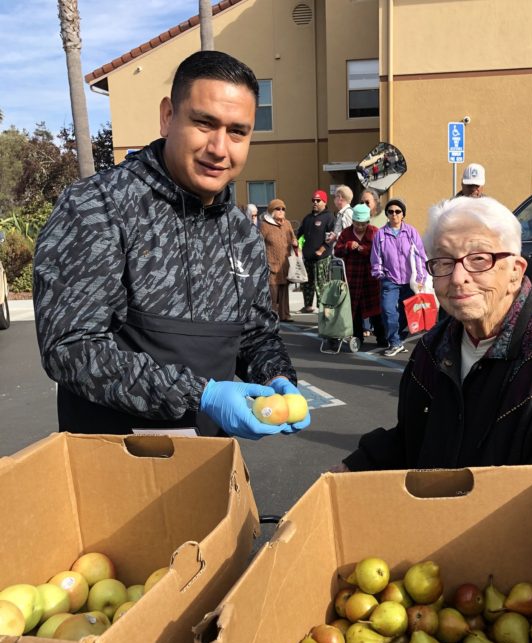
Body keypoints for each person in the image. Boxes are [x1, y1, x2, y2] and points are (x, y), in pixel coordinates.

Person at [32, 50, 310, 439]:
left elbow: (256, 336)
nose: (219, 147)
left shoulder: (241, 233)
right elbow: (72, 349)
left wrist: (277, 375)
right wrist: (202, 395)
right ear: (168, 117)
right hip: (109, 467)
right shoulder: (97, 207)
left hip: (207, 466)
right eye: (203, 123)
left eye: (237, 131)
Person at [335, 196, 532, 502]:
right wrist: (354, 466)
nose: (457, 278)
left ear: (515, 271)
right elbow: (412, 438)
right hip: (436, 533)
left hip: (522, 540)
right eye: (443, 262)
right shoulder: (432, 348)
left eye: (479, 259)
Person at [371, 198, 427, 356]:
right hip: (390, 280)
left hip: (410, 281)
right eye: (390, 212)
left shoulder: (411, 232)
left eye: (398, 211)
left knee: (406, 313)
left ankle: (398, 339)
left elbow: (420, 256)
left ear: (403, 214)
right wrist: (379, 274)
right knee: (388, 310)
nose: (394, 214)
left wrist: (421, 279)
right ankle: (395, 342)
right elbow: (376, 257)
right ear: (387, 214)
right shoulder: (380, 234)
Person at [334, 204, 386, 347]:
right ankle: (357, 338)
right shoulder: (346, 233)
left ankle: (382, 338)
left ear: (368, 222)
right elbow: (336, 251)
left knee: (376, 309)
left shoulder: (375, 232)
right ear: (353, 221)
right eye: (357, 224)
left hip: (371, 277)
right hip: (352, 276)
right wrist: (348, 246)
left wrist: (364, 249)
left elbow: (381, 251)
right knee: (354, 309)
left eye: (363, 224)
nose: (360, 227)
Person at [259, 198, 298, 322]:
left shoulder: (287, 223)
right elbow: (259, 245)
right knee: (272, 293)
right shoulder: (265, 225)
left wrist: (295, 243)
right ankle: (271, 317)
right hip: (271, 264)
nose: (281, 211)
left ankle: (285, 315)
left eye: (283, 209)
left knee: (284, 292)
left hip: (284, 264)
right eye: (278, 209)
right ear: (271, 211)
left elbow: (293, 238)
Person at [297, 189, 335, 313]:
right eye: (313, 200)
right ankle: (307, 306)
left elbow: (330, 238)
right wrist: (296, 244)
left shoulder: (329, 217)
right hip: (308, 257)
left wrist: (321, 249)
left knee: (321, 285)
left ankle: (322, 308)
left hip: (321, 258)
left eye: (318, 200)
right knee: (307, 283)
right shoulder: (307, 218)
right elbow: (300, 234)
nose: (315, 203)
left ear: (324, 202)